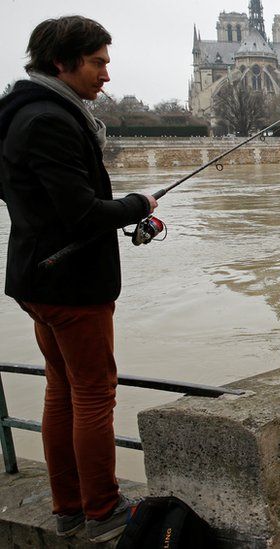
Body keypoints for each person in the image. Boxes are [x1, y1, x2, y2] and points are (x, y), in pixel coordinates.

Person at [0, 16, 156, 543]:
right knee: (93, 394)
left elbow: (23, 195)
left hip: (35, 278)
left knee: (60, 391)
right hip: (71, 283)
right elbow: (82, 214)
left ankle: (68, 506)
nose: (106, 74)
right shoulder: (50, 119)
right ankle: (101, 510)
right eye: (98, 62)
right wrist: (138, 204)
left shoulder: (18, 112)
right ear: (62, 63)